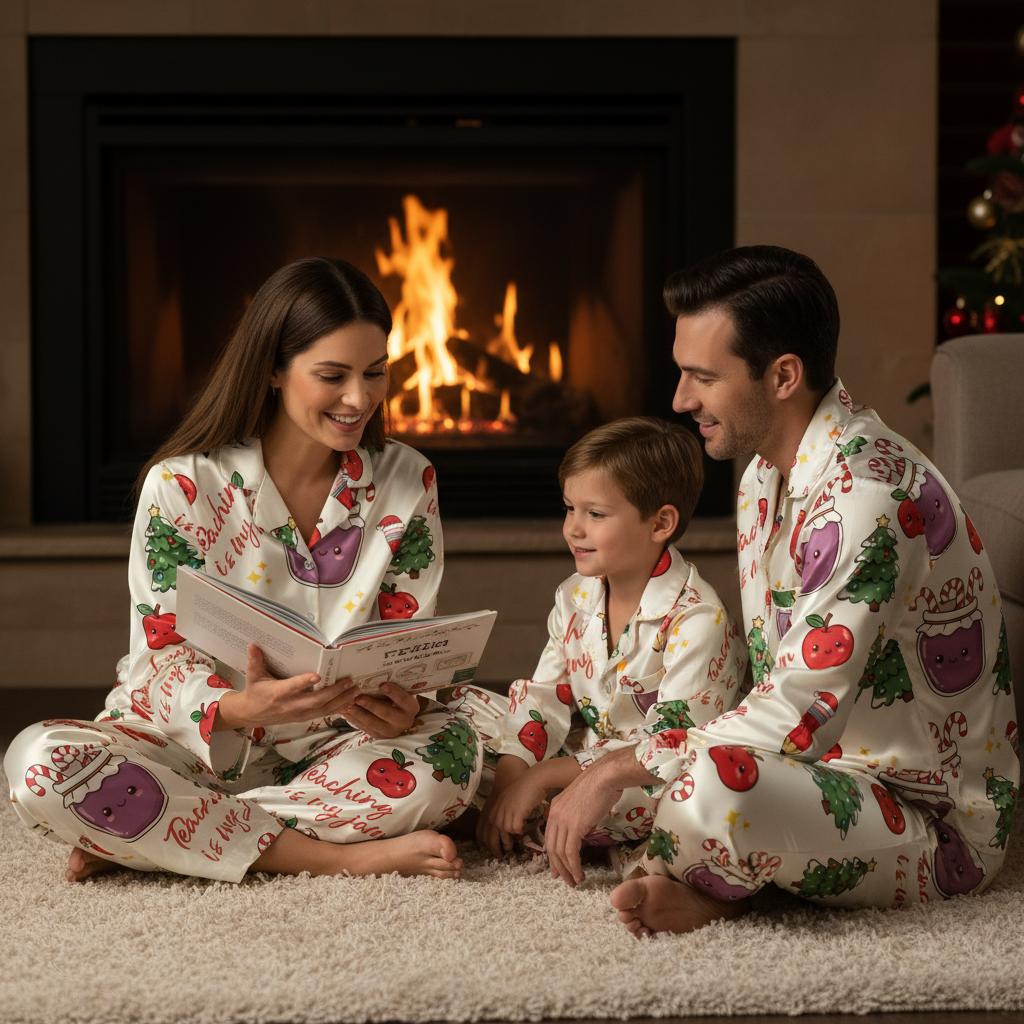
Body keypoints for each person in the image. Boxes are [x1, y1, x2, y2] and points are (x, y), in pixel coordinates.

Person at [548, 244, 1018, 936]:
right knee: (650, 774)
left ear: (783, 376)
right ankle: (728, 879)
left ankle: (727, 883)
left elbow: (802, 708)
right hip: (815, 772)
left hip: (934, 823)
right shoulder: (764, 476)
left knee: (690, 784)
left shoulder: (867, 495)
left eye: (702, 377)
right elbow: (775, 701)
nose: (680, 400)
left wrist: (617, 771)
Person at [5, 257, 482, 884]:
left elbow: (404, 639)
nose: (360, 399)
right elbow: (159, 656)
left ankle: (149, 833)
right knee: (40, 763)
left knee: (452, 756)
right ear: (273, 370)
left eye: (375, 372)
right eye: (332, 375)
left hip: (336, 745)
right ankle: (340, 858)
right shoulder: (181, 483)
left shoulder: (407, 479)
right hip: (189, 746)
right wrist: (236, 707)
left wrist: (400, 703)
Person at [472, 417, 746, 872]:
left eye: (595, 514)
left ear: (660, 523)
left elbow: (672, 746)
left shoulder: (698, 619)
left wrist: (544, 778)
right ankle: (517, 813)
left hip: (653, 770)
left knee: (685, 795)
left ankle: (535, 822)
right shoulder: (575, 595)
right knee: (462, 715)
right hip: (590, 751)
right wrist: (512, 778)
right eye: (569, 508)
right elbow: (546, 696)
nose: (573, 529)